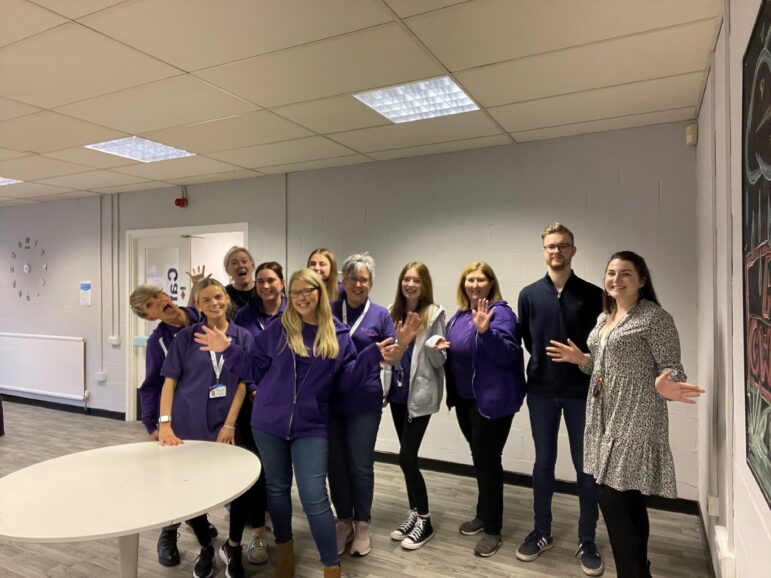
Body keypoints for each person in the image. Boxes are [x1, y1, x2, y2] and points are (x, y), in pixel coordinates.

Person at [194, 269, 395, 578]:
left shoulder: (338, 333)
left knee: (314, 495)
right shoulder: (278, 330)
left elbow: (347, 382)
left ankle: (331, 565)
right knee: (277, 489)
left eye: (307, 291)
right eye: (296, 292)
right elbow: (253, 368)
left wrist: (371, 357)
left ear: (320, 292)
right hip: (268, 424)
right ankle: (285, 552)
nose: (301, 298)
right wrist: (229, 350)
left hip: (311, 427)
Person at [546, 251, 704, 578]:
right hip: (604, 414)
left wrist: (668, 384)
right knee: (629, 498)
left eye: (625, 274)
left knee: (611, 497)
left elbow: (672, 367)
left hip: (636, 415)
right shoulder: (605, 318)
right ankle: (639, 569)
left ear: (641, 280)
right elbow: (603, 368)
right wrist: (582, 360)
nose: (616, 279)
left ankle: (630, 572)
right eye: (611, 273)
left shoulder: (654, 318)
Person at [515, 223, 604, 576]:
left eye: (563, 246)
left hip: (581, 394)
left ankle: (587, 539)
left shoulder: (593, 294)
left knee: (586, 468)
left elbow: (600, 348)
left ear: (573, 250)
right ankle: (542, 531)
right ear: (544, 251)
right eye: (551, 246)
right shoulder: (529, 294)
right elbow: (527, 339)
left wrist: (579, 358)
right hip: (540, 392)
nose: (557, 251)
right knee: (543, 464)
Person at [157, 278, 254, 578]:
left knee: (238, 489)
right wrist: (164, 424)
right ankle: (205, 546)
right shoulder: (186, 337)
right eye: (207, 299)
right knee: (190, 490)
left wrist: (230, 424)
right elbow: (169, 381)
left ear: (226, 298)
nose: (214, 303)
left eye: (218, 297)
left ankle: (233, 546)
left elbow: (241, 383)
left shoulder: (243, 337)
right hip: (187, 425)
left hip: (224, 427)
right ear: (198, 305)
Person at [128, 285, 217, 568]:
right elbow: (152, 385)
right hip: (180, 418)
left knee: (205, 476)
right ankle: (169, 532)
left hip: (215, 413)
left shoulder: (203, 315)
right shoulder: (159, 343)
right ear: (151, 317)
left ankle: (198, 517)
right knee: (177, 478)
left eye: (158, 297)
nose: (159, 303)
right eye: (151, 306)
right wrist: (154, 424)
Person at [443, 261, 526, 557]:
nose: (474, 285)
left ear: (491, 283)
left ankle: (493, 529)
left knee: (488, 461)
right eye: (469, 280)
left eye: (480, 280)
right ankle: (482, 514)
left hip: (492, 402)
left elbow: (510, 353)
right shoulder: (459, 315)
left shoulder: (500, 312)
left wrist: (486, 331)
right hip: (466, 400)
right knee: (480, 459)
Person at [328, 253, 395, 557]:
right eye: (352, 278)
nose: (358, 284)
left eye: (364, 279)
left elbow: (392, 352)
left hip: (364, 401)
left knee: (360, 463)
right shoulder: (329, 309)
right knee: (336, 464)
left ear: (371, 283)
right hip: (330, 399)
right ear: (342, 280)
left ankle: (363, 523)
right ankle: (344, 521)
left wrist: (395, 349)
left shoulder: (380, 315)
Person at [382, 262, 446, 551]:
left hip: (418, 397)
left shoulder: (435, 314)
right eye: (406, 278)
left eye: (416, 280)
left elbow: (439, 362)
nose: (410, 284)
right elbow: (386, 355)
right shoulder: (390, 313)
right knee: (406, 459)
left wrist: (435, 348)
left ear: (424, 285)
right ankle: (413, 513)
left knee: (407, 458)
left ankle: (425, 520)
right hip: (396, 395)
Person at [232, 261, 287, 565]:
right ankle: (257, 529)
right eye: (261, 281)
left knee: (278, 471)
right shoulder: (245, 316)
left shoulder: (293, 312)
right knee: (255, 467)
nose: (266, 286)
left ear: (282, 282)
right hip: (252, 403)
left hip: (285, 404)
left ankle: (280, 524)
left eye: (272, 280)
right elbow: (241, 356)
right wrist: (253, 387)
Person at [224, 246, 257, 311]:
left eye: (244, 261)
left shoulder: (263, 289)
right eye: (234, 263)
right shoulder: (223, 294)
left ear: (252, 265)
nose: (241, 265)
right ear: (228, 270)